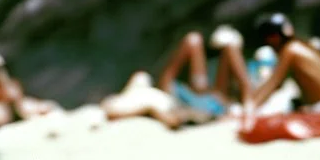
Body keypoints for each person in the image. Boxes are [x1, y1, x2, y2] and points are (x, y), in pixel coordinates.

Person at [102, 26, 256, 129]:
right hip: (181, 100)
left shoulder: (139, 90)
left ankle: (231, 52)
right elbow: (174, 121)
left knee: (193, 40)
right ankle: (246, 94)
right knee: (196, 43)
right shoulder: (142, 103)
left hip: (176, 95)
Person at [247, 13, 320, 116]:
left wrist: (248, 108)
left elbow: (274, 84)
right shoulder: (305, 47)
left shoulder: (290, 50)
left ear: (272, 38)